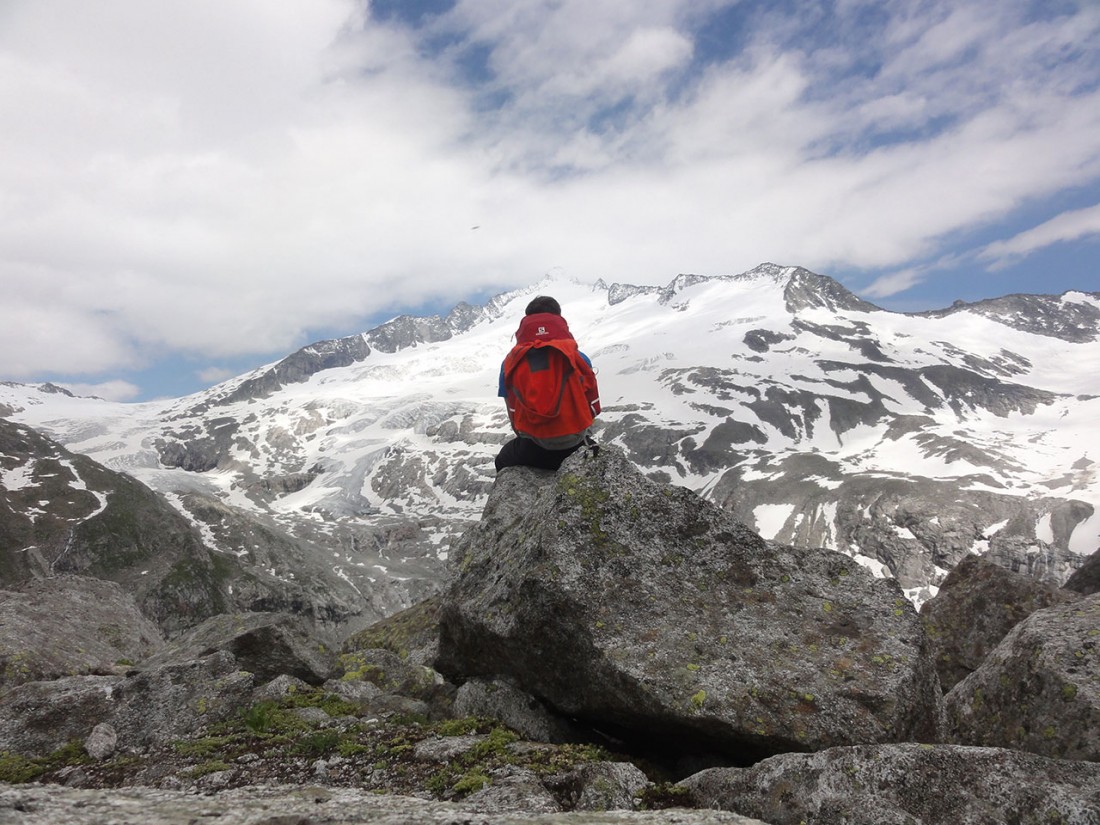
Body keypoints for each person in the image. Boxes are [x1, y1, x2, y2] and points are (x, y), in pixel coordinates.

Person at [495, 295, 600, 471]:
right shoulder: (579, 359)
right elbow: (593, 408)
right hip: (576, 447)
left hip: (533, 451)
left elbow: (513, 416)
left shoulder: (510, 363)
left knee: (502, 461)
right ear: (559, 320)